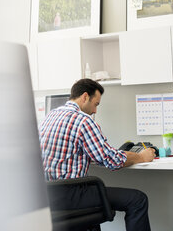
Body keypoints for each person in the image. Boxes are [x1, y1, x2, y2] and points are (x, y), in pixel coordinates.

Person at [39, 78, 156, 231]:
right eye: (96, 104)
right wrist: (141, 157)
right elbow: (110, 159)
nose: (95, 111)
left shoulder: (49, 116)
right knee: (138, 200)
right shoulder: (83, 120)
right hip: (70, 195)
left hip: (47, 195)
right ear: (85, 96)